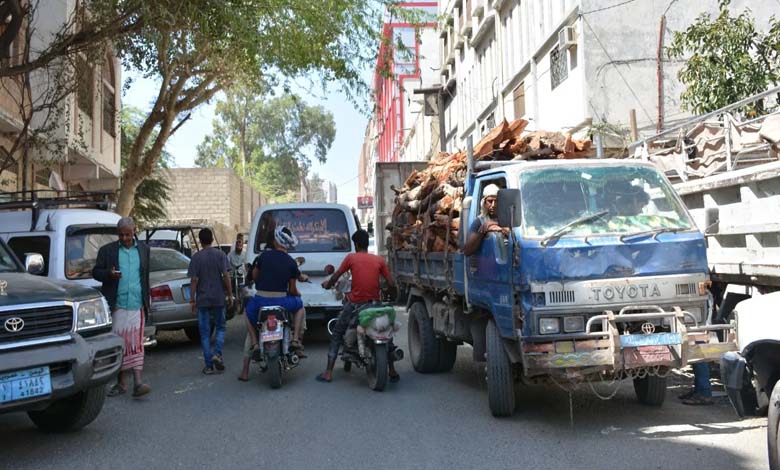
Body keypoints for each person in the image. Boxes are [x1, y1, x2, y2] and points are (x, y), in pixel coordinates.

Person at [316, 229, 398, 383]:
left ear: (357, 244)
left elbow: (336, 276)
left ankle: (328, 372)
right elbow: (391, 283)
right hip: (375, 303)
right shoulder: (378, 260)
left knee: (337, 332)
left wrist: (328, 284)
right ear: (367, 243)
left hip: (355, 304)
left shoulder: (351, 258)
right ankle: (392, 370)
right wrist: (389, 294)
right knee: (386, 332)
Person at [92, 217, 151, 398]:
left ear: (135, 230)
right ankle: (121, 383)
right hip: (116, 306)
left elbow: (145, 276)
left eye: (127, 234)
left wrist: (147, 300)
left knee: (136, 343)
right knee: (120, 343)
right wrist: (108, 274)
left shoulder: (144, 250)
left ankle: (138, 383)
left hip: (136, 304)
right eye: (121, 235)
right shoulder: (107, 251)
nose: (124, 238)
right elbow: (96, 273)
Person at [238, 226, 306, 382]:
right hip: (282, 301)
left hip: (260, 301)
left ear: (275, 241)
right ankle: (296, 340)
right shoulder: (290, 263)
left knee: (248, 315)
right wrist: (297, 294)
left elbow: (254, 277)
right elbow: (293, 290)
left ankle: (251, 355)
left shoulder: (263, 257)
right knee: (300, 307)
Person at [187, 228, 233, 375]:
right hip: (218, 298)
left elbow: (194, 280)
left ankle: (208, 365)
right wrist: (230, 294)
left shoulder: (196, 258)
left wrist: (192, 300)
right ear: (212, 239)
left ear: (200, 241)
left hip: (202, 299)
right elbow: (226, 276)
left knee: (205, 333)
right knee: (220, 327)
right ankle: (217, 354)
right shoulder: (220, 255)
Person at [462, 183, 506, 256]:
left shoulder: (507, 218)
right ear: (484, 203)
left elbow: (516, 237)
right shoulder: (479, 221)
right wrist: (484, 231)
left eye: (496, 201)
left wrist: (493, 224)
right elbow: (467, 251)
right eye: (490, 201)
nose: (493, 205)